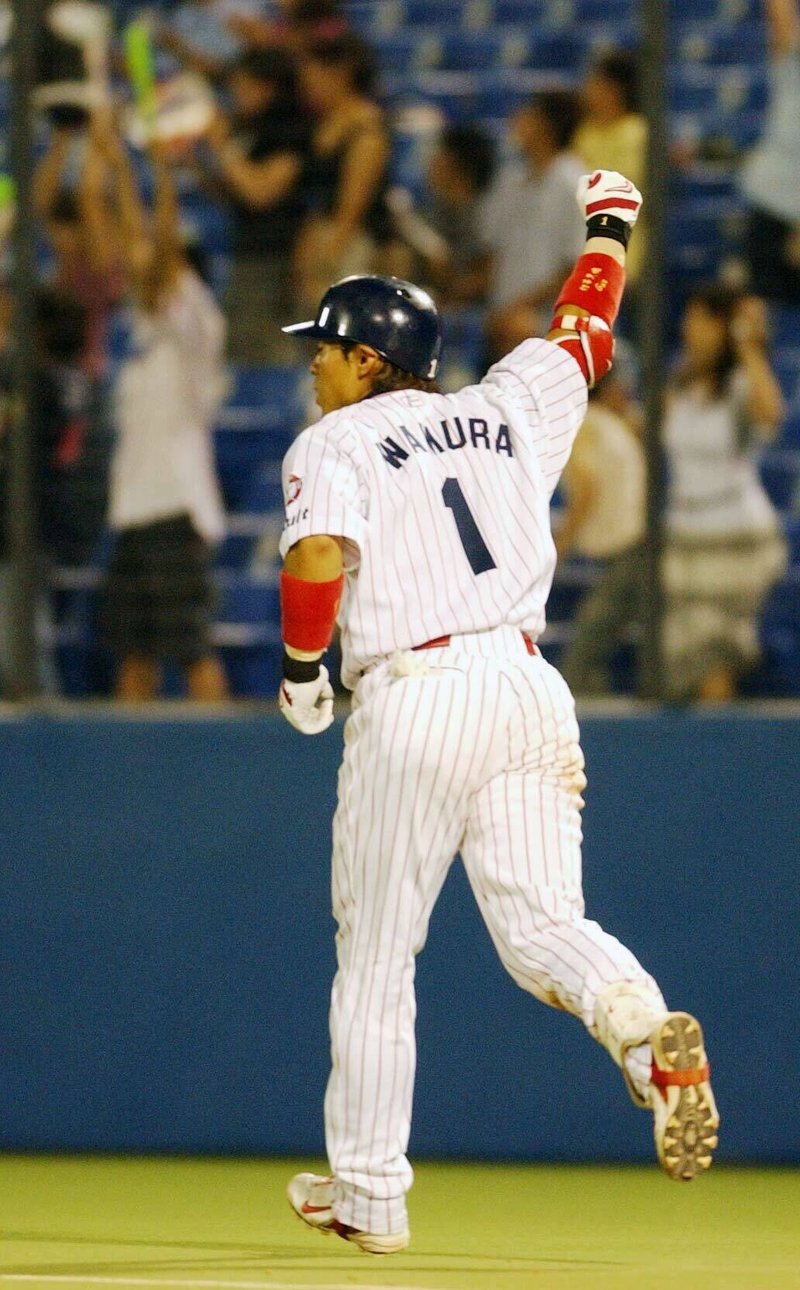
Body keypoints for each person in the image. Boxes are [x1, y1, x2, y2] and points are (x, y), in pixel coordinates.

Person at [274, 170, 719, 1255]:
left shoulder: (333, 444)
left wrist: (299, 673)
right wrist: (609, 225)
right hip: (526, 687)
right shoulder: (508, 404)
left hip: (417, 694)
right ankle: (636, 1027)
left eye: (325, 347)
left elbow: (319, 557)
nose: (314, 364)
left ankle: (371, 1195)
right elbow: (584, 329)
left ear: (369, 360)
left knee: (376, 957)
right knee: (542, 931)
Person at [91, 111, 230, 702]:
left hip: (175, 511)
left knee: (193, 654)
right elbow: (130, 245)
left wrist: (144, 166)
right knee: (133, 657)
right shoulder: (146, 333)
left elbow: (157, 242)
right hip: (133, 513)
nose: (141, 261)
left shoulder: (194, 321)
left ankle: (232, 774)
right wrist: (118, 167)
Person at [662, 285, 788, 702]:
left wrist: (748, 340)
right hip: (685, 537)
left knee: (710, 653)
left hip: (733, 539)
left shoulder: (738, 383)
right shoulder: (680, 383)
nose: (689, 329)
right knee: (682, 656)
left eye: (699, 320)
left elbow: (770, 413)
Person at [194, 46, 312, 363]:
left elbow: (261, 193)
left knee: (259, 352)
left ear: (268, 87)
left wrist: (222, 146)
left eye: (244, 87)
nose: (237, 95)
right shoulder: (251, 131)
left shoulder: (291, 131)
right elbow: (236, 193)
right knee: (236, 348)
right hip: (247, 252)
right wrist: (195, 164)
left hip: (276, 260)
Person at [556, 362, 647, 696]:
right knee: (595, 647)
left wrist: (556, 551)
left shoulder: (584, 423)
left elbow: (586, 490)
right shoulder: (610, 421)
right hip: (637, 548)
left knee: (583, 655)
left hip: (631, 552)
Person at [478, 90, 586, 361]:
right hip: (503, 313)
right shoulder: (510, 180)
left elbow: (575, 268)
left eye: (526, 116)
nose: (516, 122)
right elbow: (493, 254)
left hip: (551, 317)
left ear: (545, 125)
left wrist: (519, 308)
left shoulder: (575, 182)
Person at [293, 32, 393, 315]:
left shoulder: (365, 126)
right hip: (319, 235)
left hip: (349, 243)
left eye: (313, 73)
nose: (306, 83)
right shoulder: (324, 123)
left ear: (341, 73)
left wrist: (330, 257)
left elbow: (353, 203)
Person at [738, 0, 800, 303]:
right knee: (762, 307)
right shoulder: (793, 63)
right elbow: (781, 21)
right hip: (772, 203)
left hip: (790, 209)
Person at [573, 50, 647, 288]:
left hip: (619, 253)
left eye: (596, 82)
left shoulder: (635, 132)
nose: (587, 89)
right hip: (579, 248)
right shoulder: (584, 131)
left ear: (614, 89)